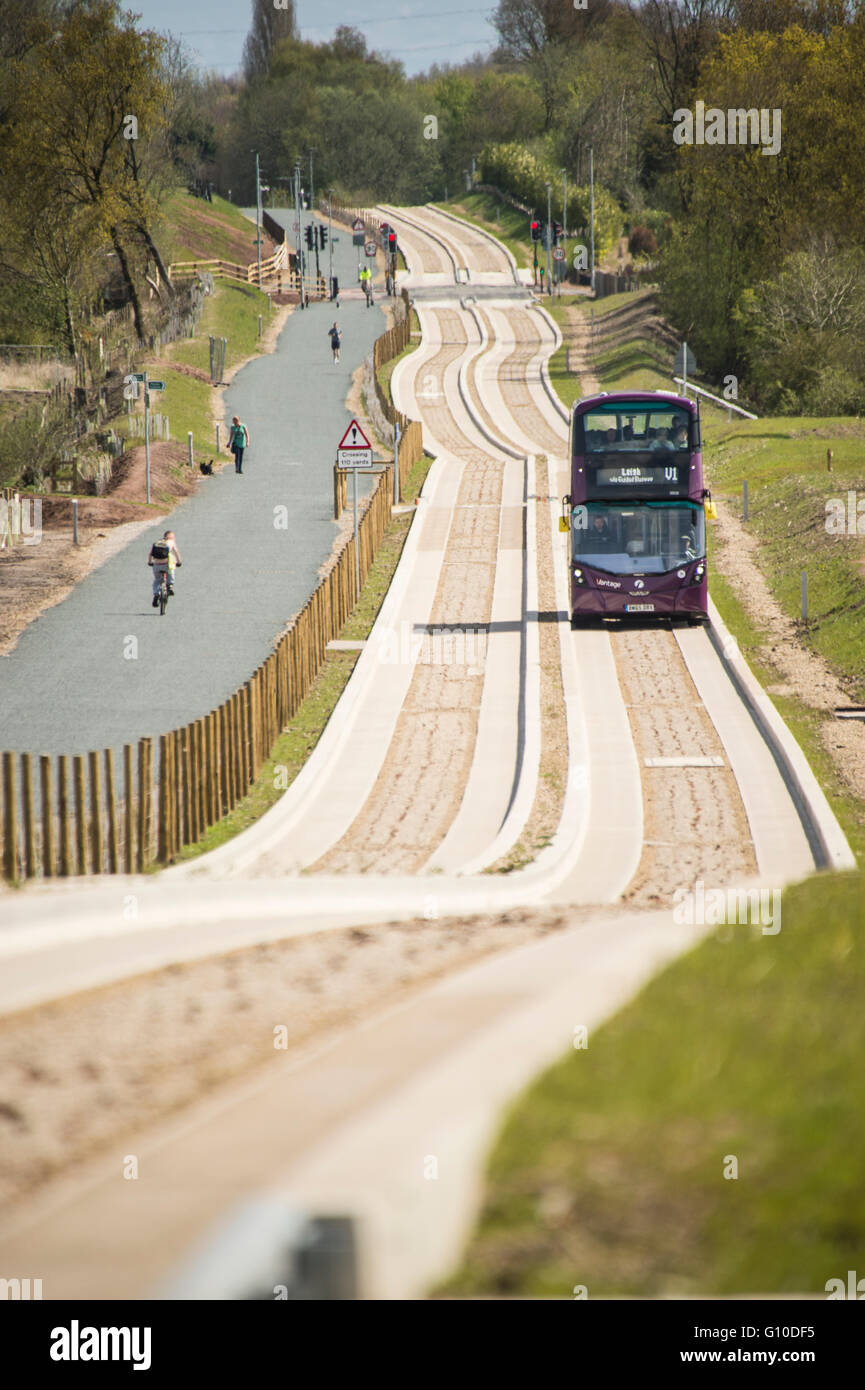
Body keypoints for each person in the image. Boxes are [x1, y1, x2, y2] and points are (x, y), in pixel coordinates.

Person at [148, 530, 181, 606]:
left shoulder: (157, 543)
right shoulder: (171, 542)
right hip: (166, 564)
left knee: (157, 580)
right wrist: (179, 562)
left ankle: (156, 595)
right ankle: (170, 586)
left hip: (156, 565)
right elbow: (176, 552)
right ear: (172, 537)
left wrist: (150, 562)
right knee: (171, 570)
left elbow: (150, 554)